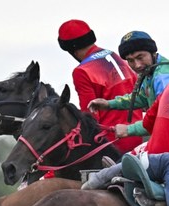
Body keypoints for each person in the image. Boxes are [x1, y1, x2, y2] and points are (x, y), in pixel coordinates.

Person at [57, 19, 143, 153]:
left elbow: (89, 118)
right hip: (137, 135)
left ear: (70, 49)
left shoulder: (82, 71)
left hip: (112, 143)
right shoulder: (114, 55)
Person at [87, 31, 169, 141]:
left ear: (152, 52)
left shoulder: (163, 79)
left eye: (140, 57)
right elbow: (142, 97)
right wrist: (108, 104)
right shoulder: (153, 68)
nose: (137, 65)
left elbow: (163, 120)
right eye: (130, 60)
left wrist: (129, 130)